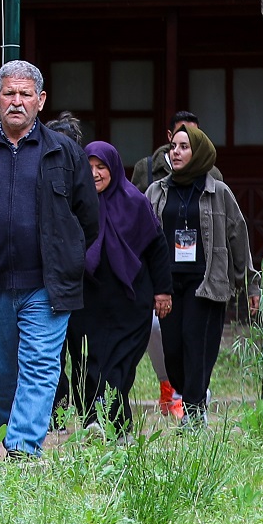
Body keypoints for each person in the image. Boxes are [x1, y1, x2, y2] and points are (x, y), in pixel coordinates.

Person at [0, 61, 101, 459]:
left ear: (41, 101)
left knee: (39, 367)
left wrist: (65, 257)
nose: (16, 101)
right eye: (9, 93)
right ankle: (17, 427)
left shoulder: (64, 152)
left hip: (46, 285)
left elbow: (89, 219)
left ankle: (21, 449)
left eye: (25, 94)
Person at [145, 123, 256, 426]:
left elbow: (238, 235)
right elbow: (142, 236)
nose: (176, 152)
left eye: (184, 147)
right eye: (173, 147)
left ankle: (194, 413)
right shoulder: (157, 190)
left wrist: (250, 283)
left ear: (199, 152)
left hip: (206, 282)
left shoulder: (218, 191)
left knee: (198, 346)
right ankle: (193, 394)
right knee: (173, 353)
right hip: (167, 283)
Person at [70, 140, 171, 434]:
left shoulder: (135, 202)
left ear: (113, 168)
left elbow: (157, 247)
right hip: (89, 302)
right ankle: (106, 425)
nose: (95, 174)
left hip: (131, 302)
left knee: (118, 367)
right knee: (90, 365)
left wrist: (162, 291)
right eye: (88, 168)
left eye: (101, 167)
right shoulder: (76, 204)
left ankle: (106, 424)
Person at [131, 109, 197, 419]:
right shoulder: (148, 171)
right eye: (181, 138)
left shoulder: (212, 176)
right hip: (157, 265)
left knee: (189, 331)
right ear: (169, 137)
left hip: (196, 270)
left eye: (194, 138)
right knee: (156, 329)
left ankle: (189, 395)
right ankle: (166, 384)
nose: (185, 146)